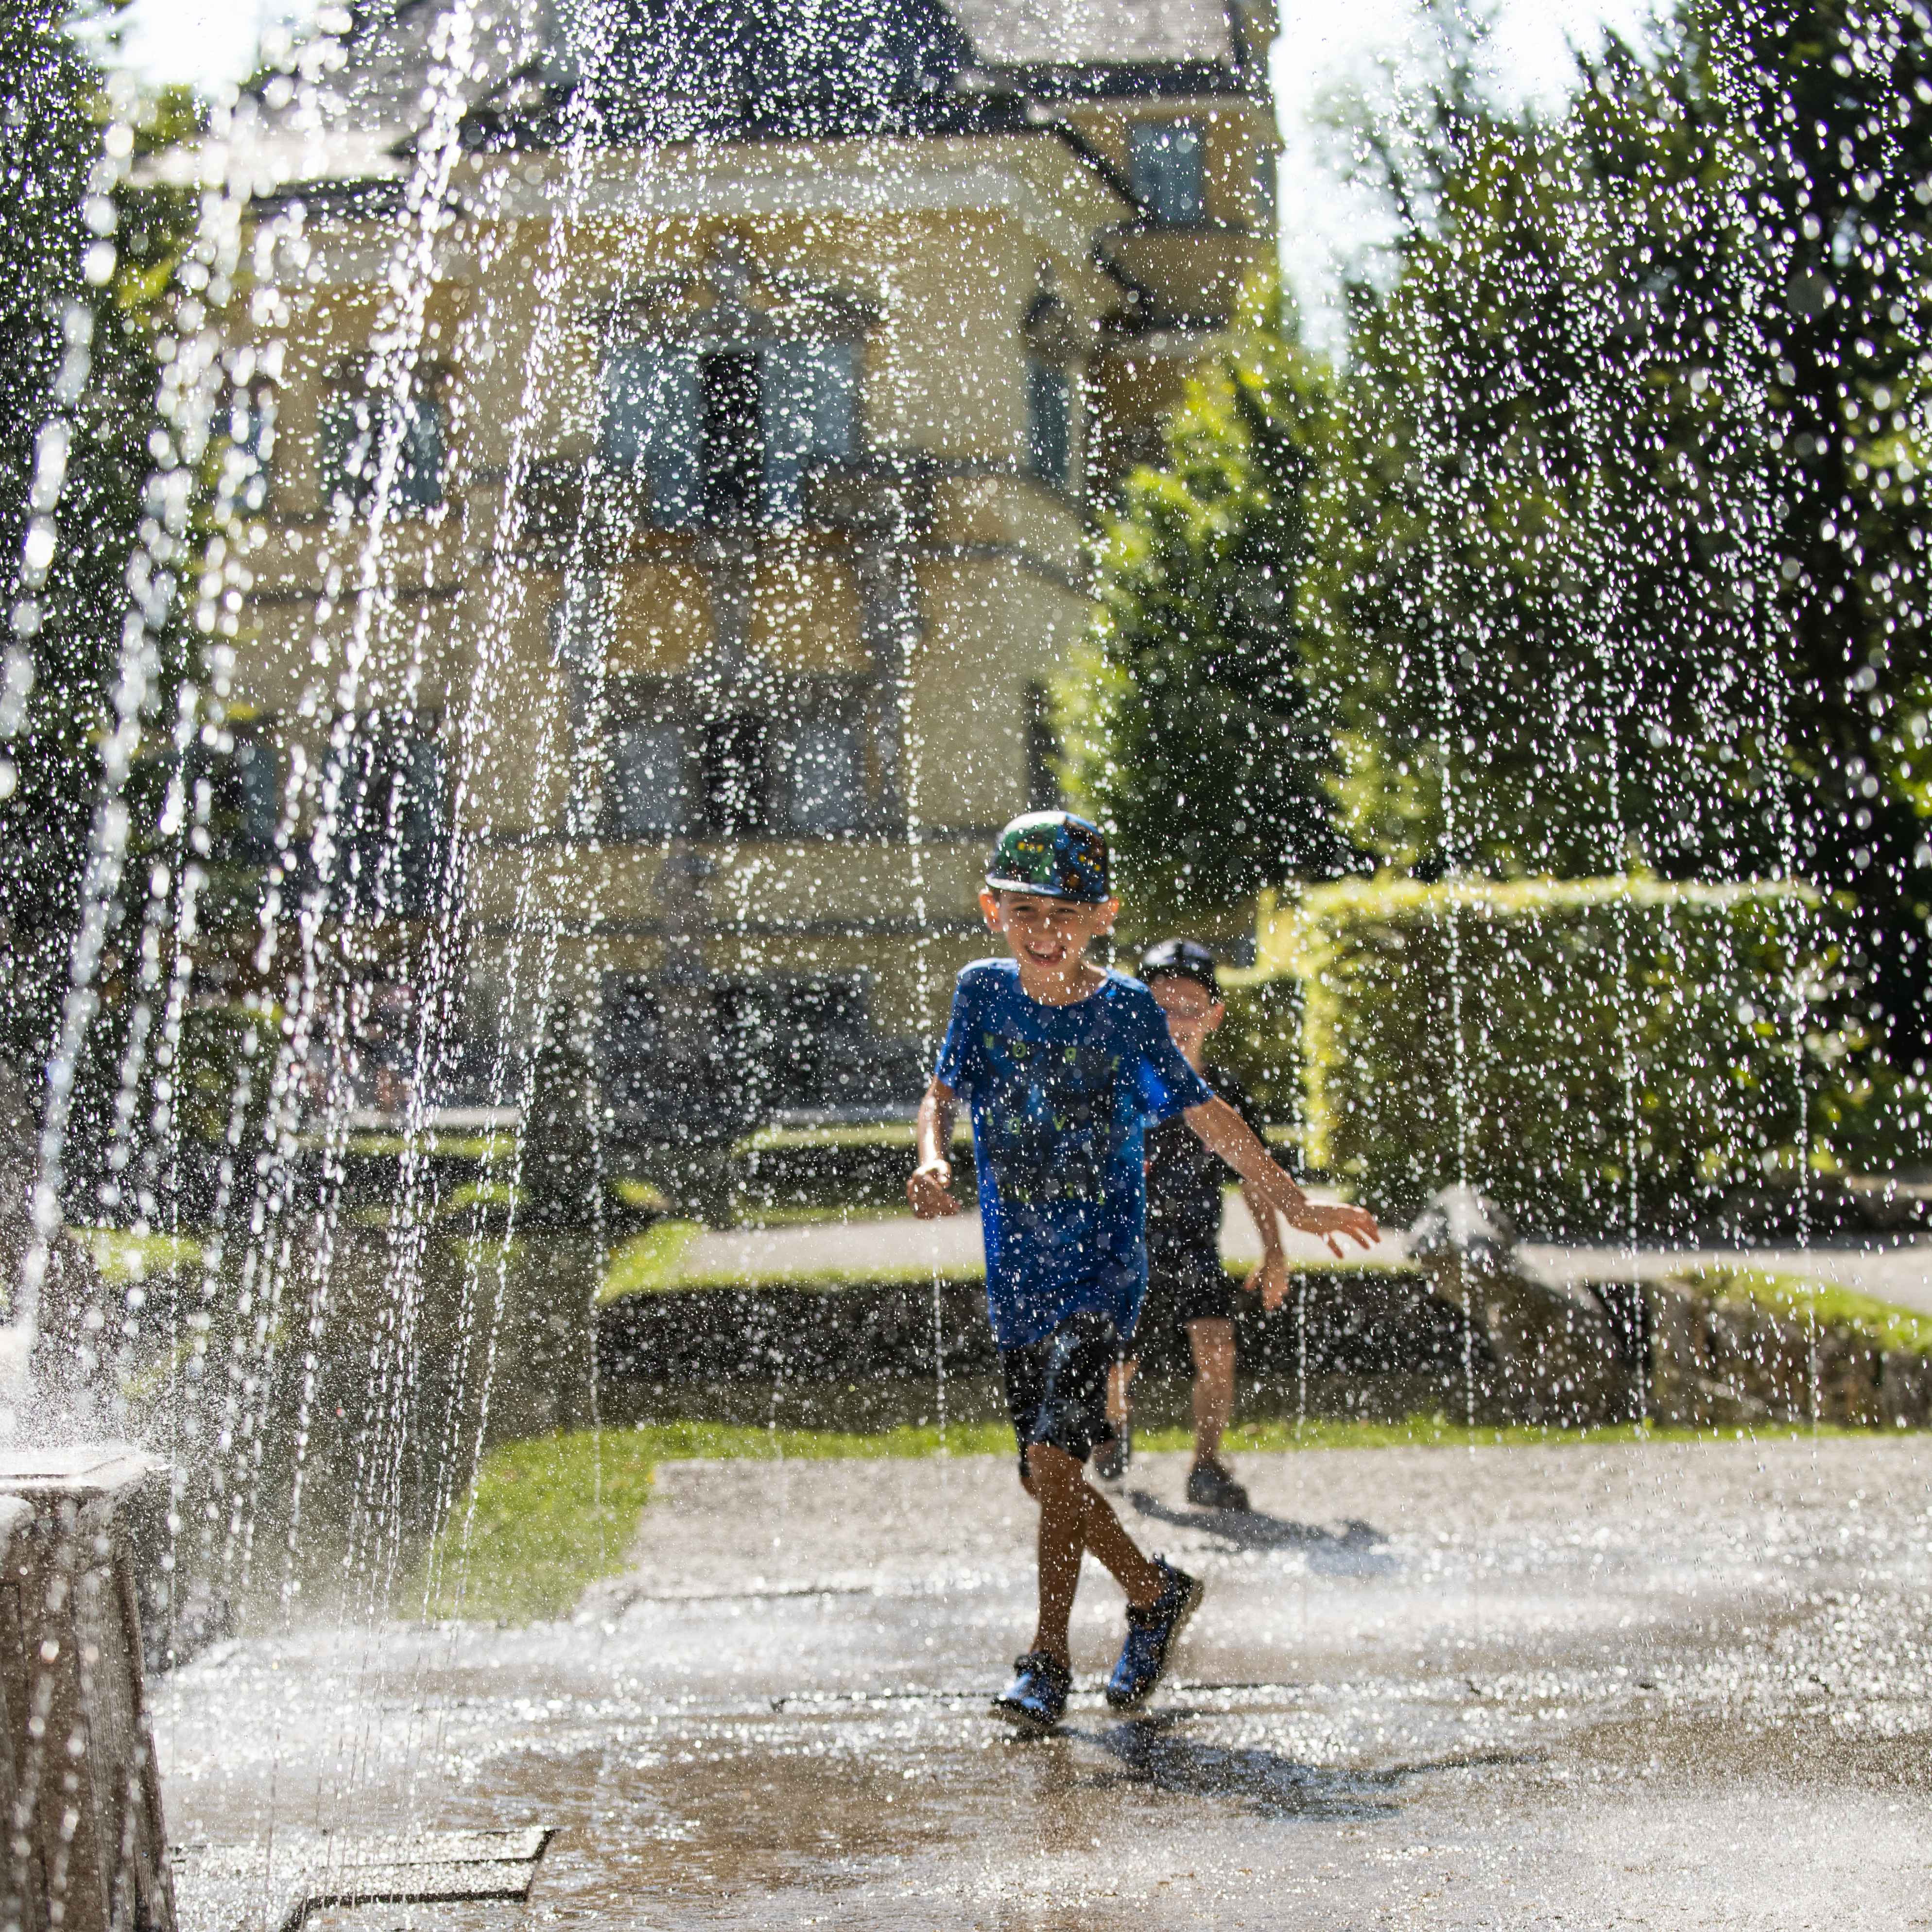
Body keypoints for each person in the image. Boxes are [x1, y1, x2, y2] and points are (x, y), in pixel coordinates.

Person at [908, 811, 1380, 1731]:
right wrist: (933, 1153)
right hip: (1018, 1276)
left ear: (1102, 917)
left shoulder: (1126, 1011)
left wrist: (1293, 1205)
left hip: (1101, 1273)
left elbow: (1209, 1116)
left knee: (1053, 1458)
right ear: (992, 909)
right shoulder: (981, 995)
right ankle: (1153, 1591)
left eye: (1069, 916)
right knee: (1045, 1478)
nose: (1047, 932)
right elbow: (943, 1091)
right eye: (1028, 911)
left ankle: (1046, 1662)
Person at [1095, 938, 1283, 1511]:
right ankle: (1113, 1426)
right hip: (1126, 1247)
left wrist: (1274, 1250)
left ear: (1213, 1015)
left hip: (1194, 1243)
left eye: (1189, 1007)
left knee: (1217, 1346)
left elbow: (1256, 1176)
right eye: (1161, 1008)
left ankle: (1205, 1464)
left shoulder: (1226, 1095)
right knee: (1118, 1362)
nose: (1175, 1021)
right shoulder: (1119, 1084)